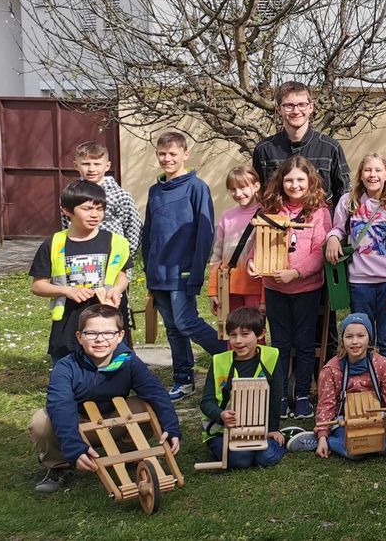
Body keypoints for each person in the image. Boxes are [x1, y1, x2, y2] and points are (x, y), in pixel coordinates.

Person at [29, 304, 180, 494]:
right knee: (41, 421)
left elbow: (156, 392)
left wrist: (171, 427)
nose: (100, 339)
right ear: (79, 336)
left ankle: (128, 452)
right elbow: (61, 406)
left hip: (113, 420)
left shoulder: (128, 361)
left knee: (148, 405)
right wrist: (73, 446)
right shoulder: (65, 367)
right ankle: (60, 466)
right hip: (79, 422)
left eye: (108, 333)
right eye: (91, 333)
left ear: (120, 335)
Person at [141, 132, 224, 400]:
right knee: (173, 329)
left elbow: (205, 233)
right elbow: (148, 233)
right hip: (158, 273)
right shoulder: (155, 191)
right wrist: (148, 269)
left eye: (173, 154)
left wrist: (197, 271)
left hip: (183, 271)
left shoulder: (196, 188)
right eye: (162, 154)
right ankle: (183, 379)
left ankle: (234, 358)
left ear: (185, 155)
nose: (167, 158)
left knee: (187, 322)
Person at [252, 156, 332, 418]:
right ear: (281, 181)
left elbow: (319, 252)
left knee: (305, 344)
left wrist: (296, 273)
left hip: (306, 289)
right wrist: (254, 263)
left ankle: (302, 395)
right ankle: (281, 395)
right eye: (289, 180)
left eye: (300, 179)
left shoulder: (319, 212)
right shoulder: (270, 209)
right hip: (275, 289)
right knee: (280, 344)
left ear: (310, 181)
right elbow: (259, 244)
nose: (294, 185)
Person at [30, 181, 132, 362]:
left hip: (109, 324)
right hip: (69, 324)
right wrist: (67, 290)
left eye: (99, 209)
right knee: (69, 373)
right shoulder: (53, 244)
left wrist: (117, 289)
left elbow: (122, 276)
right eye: (87, 209)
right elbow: (38, 286)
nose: (95, 215)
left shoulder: (117, 242)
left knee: (114, 373)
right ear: (66, 211)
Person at [325, 154, 386, 364]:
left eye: (378, 170)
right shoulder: (348, 202)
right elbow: (338, 228)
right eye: (368, 170)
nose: (373, 175)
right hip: (359, 284)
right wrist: (333, 238)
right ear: (361, 174)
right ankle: (362, 378)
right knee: (362, 338)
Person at [288, 313, 386, 459]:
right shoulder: (331, 369)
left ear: (369, 338)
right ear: (342, 340)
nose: (355, 342)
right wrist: (323, 434)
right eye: (349, 336)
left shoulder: (383, 364)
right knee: (355, 450)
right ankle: (323, 440)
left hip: (376, 420)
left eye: (360, 336)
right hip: (344, 422)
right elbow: (326, 405)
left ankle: (337, 442)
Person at [63, 141, 141, 339]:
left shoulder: (120, 196)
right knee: (82, 309)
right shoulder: (71, 195)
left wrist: (122, 257)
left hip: (113, 265)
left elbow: (133, 228)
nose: (91, 169)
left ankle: (119, 346)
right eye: (86, 164)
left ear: (107, 166)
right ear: (76, 165)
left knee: (114, 309)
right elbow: (66, 226)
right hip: (81, 263)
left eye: (97, 164)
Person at [198, 307, 286, 469]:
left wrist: (273, 429)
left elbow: (275, 396)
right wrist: (221, 415)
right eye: (233, 335)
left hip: (258, 428)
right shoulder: (219, 361)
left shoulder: (271, 356)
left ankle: (281, 441)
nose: (238, 341)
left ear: (261, 334)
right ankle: (244, 451)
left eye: (245, 334)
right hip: (222, 431)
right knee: (241, 460)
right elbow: (206, 402)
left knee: (265, 458)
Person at [251, 81, 350, 205]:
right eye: (289, 105)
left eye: (302, 105)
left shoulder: (330, 148)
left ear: (311, 107)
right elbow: (257, 195)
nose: (296, 111)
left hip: (322, 217)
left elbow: (344, 195)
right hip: (276, 217)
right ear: (279, 109)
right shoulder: (264, 149)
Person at [208, 167, 266, 325]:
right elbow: (216, 256)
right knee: (232, 332)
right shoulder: (227, 216)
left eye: (243, 187)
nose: (238, 193)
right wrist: (213, 290)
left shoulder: (267, 215)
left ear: (256, 186)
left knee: (253, 332)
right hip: (228, 287)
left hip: (255, 288)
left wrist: (264, 298)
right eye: (233, 189)